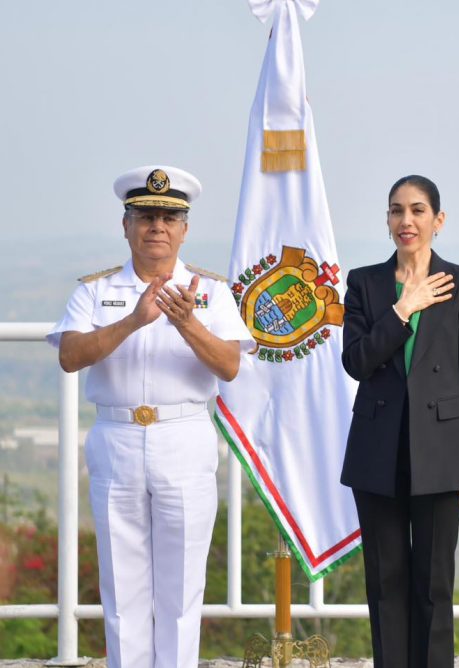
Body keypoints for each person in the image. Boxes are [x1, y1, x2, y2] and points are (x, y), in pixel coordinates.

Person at [46, 166, 254, 668]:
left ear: (184, 229)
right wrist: (134, 319)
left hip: (183, 435)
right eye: (145, 216)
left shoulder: (211, 292)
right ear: (126, 226)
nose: (156, 226)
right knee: (123, 587)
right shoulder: (97, 292)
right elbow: (70, 356)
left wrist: (186, 323)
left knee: (181, 590)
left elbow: (229, 365)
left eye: (168, 217)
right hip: (117, 436)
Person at [340, 175, 459, 668]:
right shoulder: (364, 282)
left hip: (442, 453)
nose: (406, 220)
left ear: (438, 220)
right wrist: (403, 308)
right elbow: (356, 361)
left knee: (433, 584)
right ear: (387, 221)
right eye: (396, 211)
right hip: (377, 451)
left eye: (418, 210)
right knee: (385, 584)